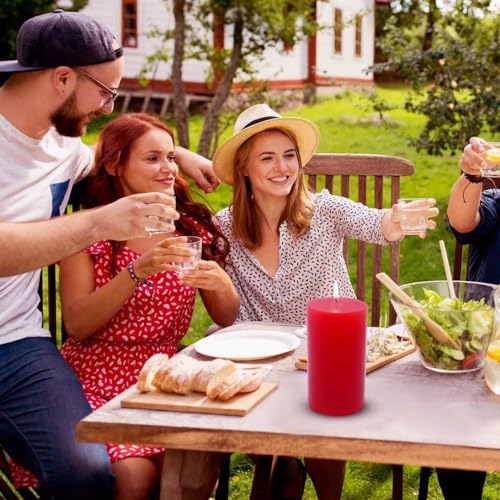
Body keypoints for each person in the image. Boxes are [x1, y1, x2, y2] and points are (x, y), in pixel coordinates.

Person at [0, 10, 217, 499]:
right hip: (66, 350)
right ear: (62, 78)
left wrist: (179, 155)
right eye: (105, 91)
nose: (108, 105)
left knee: (87, 472)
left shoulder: (63, 144)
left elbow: (117, 149)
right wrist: (99, 222)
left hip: (16, 342)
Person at [180, 103, 439, 499]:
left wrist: (397, 220)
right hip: (259, 365)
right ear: (245, 169)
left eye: (289, 156)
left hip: (326, 353)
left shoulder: (325, 211)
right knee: (267, 438)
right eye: (267, 158)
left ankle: (308, 480)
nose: (281, 167)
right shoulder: (224, 228)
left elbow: (377, 223)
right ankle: (281, 466)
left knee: (321, 425)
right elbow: (224, 312)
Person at [434, 136, 500, 500]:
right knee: (453, 418)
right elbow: (463, 222)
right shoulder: (496, 203)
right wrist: (472, 177)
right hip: (483, 344)